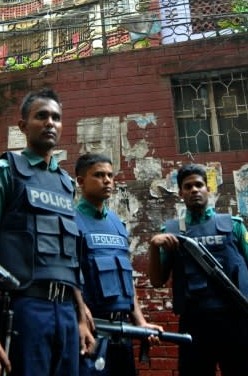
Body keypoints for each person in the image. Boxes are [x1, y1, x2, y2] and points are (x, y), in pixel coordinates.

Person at [0, 88, 94, 376]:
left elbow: (68, 255)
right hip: (25, 309)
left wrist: (79, 314)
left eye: (56, 117)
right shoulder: (4, 171)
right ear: (23, 126)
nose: (50, 122)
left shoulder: (66, 183)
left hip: (65, 311)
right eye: (41, 116)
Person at [148, 163, 248, 376]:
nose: (194, 190)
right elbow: (157, 281)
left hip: (236, 319)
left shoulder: (234, 225)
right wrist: (154, 247)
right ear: (181, 193)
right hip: (195, 322)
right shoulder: (171, 232)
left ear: (208, 189)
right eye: (188, 186)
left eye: (199, 185)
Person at [74, 152, 161, 376]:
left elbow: (126, 277)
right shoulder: (71, 221)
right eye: (99, 175)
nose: (107, 180)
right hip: (92, 331)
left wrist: (140, 321)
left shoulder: (117, 223)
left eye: (111, 175)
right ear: (81, 181)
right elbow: (67, 275)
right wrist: (79, 316)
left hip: (122, 331)